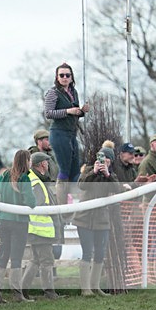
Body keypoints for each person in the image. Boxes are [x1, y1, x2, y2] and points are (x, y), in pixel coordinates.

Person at [73, 147, 122, 296]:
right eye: (102, 157)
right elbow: (81, 185)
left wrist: (107, 174)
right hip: (84, 218)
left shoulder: (111, 175)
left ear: (111, 161)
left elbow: (117, 189)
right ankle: (85, 288)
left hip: (102, 220)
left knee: (100, 253)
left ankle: (95, 287)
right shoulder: (88, 170)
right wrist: (93, 172)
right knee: (87, 252)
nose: (104, 161)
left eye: (107, 158)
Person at [43, 62, 90, 206]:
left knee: (75, 169)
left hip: (71, 133)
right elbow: (48, 113)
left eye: (67, 75)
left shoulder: (73, 92)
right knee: (64, 169)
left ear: (71, 77)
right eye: (61, 75)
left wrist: (81, 111)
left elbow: (74, 113)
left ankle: (78, 205)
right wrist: (68, 111)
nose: (64, 77)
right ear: (57, 77)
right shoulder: (53, 93)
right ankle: (61, 207)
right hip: (58, 133)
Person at [0, 150, 36, 303]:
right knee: (16, 258)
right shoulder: (24, 178)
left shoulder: (3, 176)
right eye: (30, 160)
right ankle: (17, 294)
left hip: (3, 221)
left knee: (2, 257)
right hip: (19, 223)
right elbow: (31, 203)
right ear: (27, 161)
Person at [21, 152, 63, 300]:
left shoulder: (35, 179)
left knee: (35, 260)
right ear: (41, 164)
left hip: (36, 229)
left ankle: (22, 290)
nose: (48, 164)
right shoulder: (37, 182)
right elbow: (38, 205)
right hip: (41, 230)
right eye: (46, 161)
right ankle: (49, 292)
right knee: (46, 261)